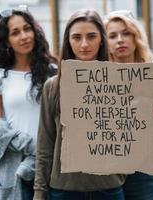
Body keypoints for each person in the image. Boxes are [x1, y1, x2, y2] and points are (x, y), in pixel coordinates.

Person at [33, 9, 127, 200]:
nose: (84, 44)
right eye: (76, 37)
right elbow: (45, 145)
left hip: (109, 188)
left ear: (102, 39)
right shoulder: (53, 86)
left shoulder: (122, 81)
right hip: (64, 191)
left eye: (91, 36)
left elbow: (136, 134)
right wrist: (39, 192)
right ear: (68, 40)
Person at [0, 5, 57, 200]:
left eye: (27, 28)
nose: (24, 36)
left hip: (50, 165)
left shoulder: (54, 72)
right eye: (15, 32)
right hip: (14, 165)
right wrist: (34, 147)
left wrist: (44, 153)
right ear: (6, 40)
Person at [104, 10, 153, 200]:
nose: (120, 40)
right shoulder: (96, 79)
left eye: (126, 33)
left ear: (136, 37)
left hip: (145, 172)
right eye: (112, 35)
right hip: (107, 170)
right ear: (105, 43)